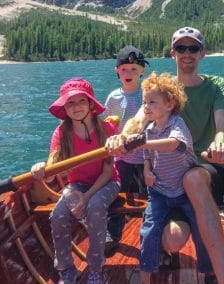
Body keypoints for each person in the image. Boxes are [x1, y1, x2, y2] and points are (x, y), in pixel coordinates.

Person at [105, 26, 224, 284]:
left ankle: (221, 277)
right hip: (168, 181)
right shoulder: (163, 89)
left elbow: (223, 126)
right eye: (181, 48)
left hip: (204, 170)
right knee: (173, 239)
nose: (187, 53)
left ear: (202, 54)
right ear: (172, 53)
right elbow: (139, 121)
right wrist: (123, 136)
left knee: (194, 179)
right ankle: (164, 247)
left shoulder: (215, 85)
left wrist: (221, 141)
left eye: (193, 48)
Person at [31, 78, 120, 284]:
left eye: (81, 101)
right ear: (65, 108)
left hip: (108, 183)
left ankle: (96, 268)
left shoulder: (106, 129)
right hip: (77, 185)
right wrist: (40, 169)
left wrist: (86, 197)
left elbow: (108, 172)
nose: (76, 107)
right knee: (57, 215)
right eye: (70, 103)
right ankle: (66, 269)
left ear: (91, 104)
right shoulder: (61, 133)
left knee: (96, 206)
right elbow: (52, 171)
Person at [128, 72, 212, 283]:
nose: (146, 107)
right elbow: (147, 156)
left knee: (202, 228)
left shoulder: (177, 125)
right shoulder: (149, 129)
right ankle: (146, 276)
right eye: (145, 102)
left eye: (152, 102)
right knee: (148, 231)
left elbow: (172, 144)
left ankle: (207, 271)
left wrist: (140, 142)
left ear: (169, 104)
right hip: (159, 192)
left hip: (185, 192)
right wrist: (147, 171)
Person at [103, 45, 149, 254]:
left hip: (148, 157)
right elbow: (108, 127)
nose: (128, 73)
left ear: (142, 71)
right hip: (122, 158)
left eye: (134, 69)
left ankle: (151, 236)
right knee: (118, 198)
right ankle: (112, 235)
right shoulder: (113, 98)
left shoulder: (147, 95)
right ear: (116, 71)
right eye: (124, 69)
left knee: (150, 197)